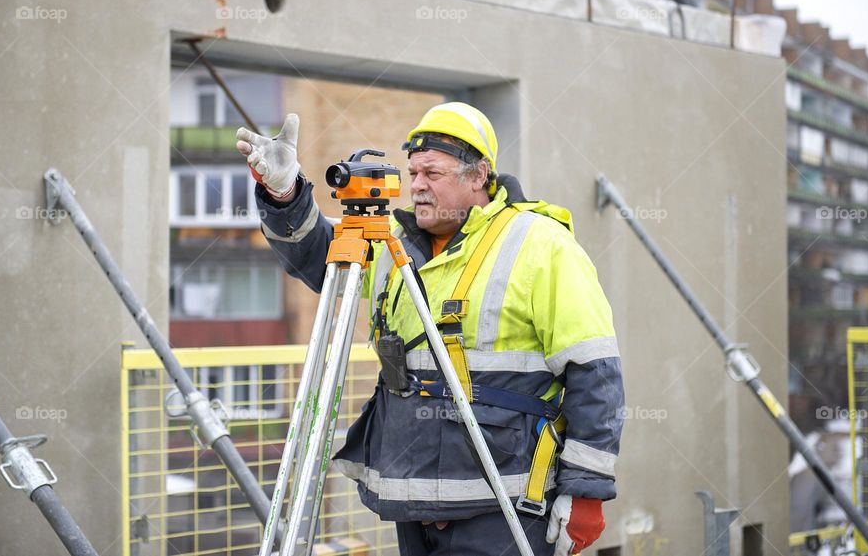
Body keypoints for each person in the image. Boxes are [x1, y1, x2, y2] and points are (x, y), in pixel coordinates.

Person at [236, 102, 624, 555]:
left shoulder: (540, 245)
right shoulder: (397, 244)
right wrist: (286, 195)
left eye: (432, 174)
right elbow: (322, 261)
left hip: (504, 505)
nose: (416, 186)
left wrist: (587, 489)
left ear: (479, 176)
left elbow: (594, 371)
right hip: (414, 499)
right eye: (413, 172)